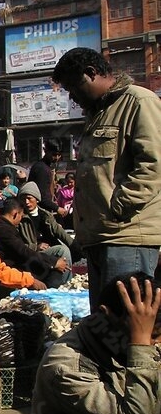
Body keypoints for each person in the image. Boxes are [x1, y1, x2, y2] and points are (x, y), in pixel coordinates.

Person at [52, 47, 161, 311]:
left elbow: (153, 164)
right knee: (103, 326)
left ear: (91, 74)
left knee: (125, 325)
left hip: (126, 236)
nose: (72, 97)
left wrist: (118, 206)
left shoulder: (139, 102)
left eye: (73, 87)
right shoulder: (98, 114)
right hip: (100, 237)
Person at [30, 272, 161, 414]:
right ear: (105, 317)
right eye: (147, 336)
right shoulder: (65, 366)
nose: (154, 344)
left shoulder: (120, 344)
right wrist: (141, 346)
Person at [0, 198, 70, 289]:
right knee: (56, 268)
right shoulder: (3, 229)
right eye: (21, 216)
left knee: (60, 254)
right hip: (15, 268)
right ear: (15, 214)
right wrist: (53, 263)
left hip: (23, 261)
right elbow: (22, 251)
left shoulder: (5, 226)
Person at [16, 181, 78, 287]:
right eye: (23, 199)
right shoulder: (20, 218)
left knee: (66, 250)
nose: (27, 202)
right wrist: (36, 246)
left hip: (49, 251)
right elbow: (17, 243)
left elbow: (61, 233)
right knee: (62, 250)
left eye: (29, 198)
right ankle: (63, 284)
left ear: (36, 199)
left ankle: (62, 282)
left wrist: (77, 247)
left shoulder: (46, 215)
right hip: (32, 254)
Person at [27, 139, 65, 218]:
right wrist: (57, 208)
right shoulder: (41, 169)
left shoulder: (47, 167)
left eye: (59, 155)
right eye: (54, 154)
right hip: (39, 212)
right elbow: (41, 197)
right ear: (45, 151)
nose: (56, 157)